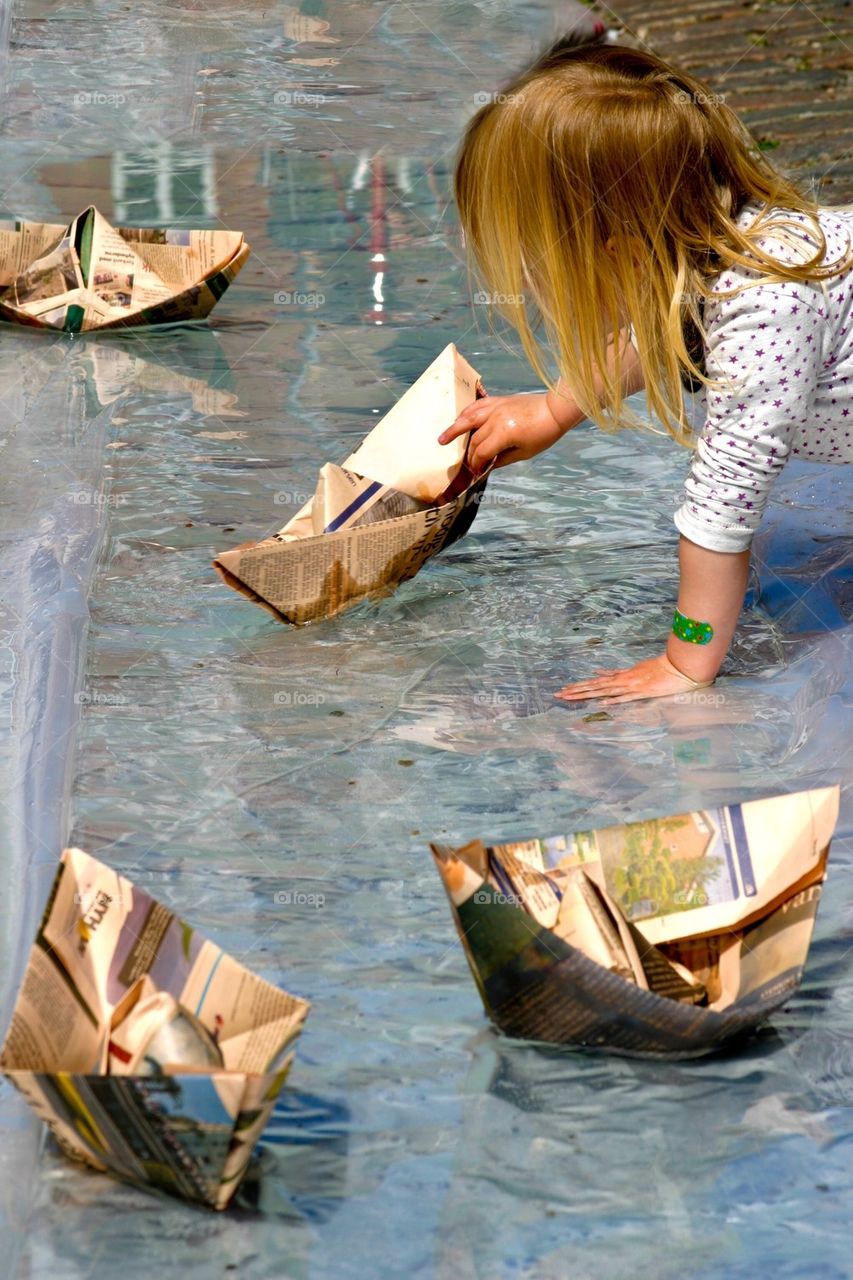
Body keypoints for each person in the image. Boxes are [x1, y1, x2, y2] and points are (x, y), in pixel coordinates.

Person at [438, 41, 853, 704]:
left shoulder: (766, 313)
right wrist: (552, 410)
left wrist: (686, 662)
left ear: (624, 255)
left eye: (535, 262)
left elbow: (722, 506)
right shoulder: (709, 250)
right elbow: (659, 329)